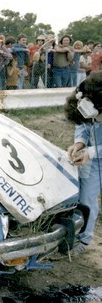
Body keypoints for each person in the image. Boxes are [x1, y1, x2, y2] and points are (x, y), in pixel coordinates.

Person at [65, 71, 102, 254]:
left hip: (95, 156)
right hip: (93, 161)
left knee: (88, 200)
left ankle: (85, 238)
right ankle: (80, 235)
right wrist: (79, 143)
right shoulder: (90, 101)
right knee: (84, 198)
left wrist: (92, 151)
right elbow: (84, 125)